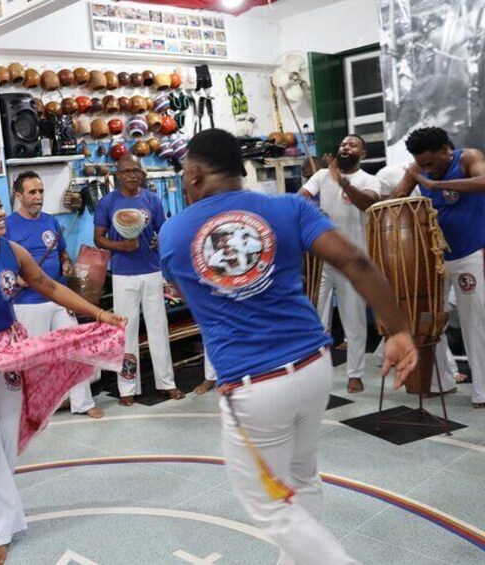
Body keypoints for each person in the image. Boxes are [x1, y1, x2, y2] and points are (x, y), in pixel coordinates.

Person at [160, 129, 418, 565]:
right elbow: (355, 260)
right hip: (314, 367)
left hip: (254, 385)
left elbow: (190, 294)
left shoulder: (172, 234)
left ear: (194, 173)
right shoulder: (289, 206)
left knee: (269, 505)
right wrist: (397, 330)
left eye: (186, 174)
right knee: (302, 477)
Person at [0, 179, 125, 565]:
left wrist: (97, 314)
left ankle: (1, 512)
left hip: (7, 350)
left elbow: (47, 284)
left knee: (6, 439)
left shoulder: (10, 251)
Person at [386, 126, 485, 408]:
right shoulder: (418, 167)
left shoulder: (468, 158)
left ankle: (483, 392)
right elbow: (396, 198)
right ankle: (441, 381)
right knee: (430, 321)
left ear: (446, 150)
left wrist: (434, 186)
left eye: (431, 163)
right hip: (435, 257)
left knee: (474, 323)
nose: (426, 168)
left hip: (471, 254)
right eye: (422, 163)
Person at [6, 171, 104, 419]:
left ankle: (82, 403)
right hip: (27, 304)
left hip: (58, 299)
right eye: (32, 192)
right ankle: (35, 408)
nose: (38, 196)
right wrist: (14, 276)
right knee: (33, 360)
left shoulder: (51, 222)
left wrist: (66, 262)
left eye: (40, 191)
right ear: (19, 195)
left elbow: (62, 253)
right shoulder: (7, 226)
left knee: (76, 349)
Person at [94, 154, 185, 406]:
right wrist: (120, 246)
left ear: (141, 174)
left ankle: (167, 383)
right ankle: (127, 388)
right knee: (126, 332)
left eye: (136, 171)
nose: (132, 175)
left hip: (152, 271)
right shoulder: (107, 202)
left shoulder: (152, 199)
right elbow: (98, 239)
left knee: (158, 328)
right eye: (127, 171)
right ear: (118, 175)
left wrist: (159, 241)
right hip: (123, 275)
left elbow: (163, 230)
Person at [298, 135, 386, 393]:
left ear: (363, 154)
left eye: (352, 145)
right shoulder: (322, 174)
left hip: (353, 263)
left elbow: (367, 203)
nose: (345, 147)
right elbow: (299, 199)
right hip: (323, 259)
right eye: (343, 144)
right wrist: (311, 211)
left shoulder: (370, 180)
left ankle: (354, 374)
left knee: (354, 321)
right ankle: (315, 373)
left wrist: (342, 182)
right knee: (316, 319)